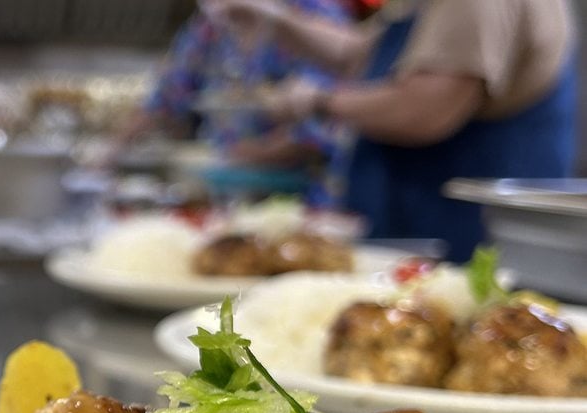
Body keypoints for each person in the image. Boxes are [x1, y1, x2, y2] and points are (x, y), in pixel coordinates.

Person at [213, 0, 578, 262]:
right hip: (413, 236)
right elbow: (362, 53)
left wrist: (319, 101)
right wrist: (276, 21)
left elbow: (425, 108)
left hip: (464, 248)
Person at [110, 0, 353, 206]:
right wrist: (110, 151)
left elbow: (325, 121)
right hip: (225, 193)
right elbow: (167, 95)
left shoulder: (317, 12)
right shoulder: (212, 23)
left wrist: (249, 154)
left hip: (299, 196)